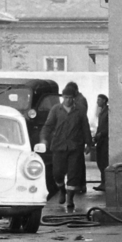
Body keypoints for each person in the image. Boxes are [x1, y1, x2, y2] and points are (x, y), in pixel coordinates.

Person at [39, 81, 91, 213]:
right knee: (57, 173)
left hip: (75, 147)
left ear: (74, 98)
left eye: (70, 98)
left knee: (74, 174)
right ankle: (62, 190)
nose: (68, 100)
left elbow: (85, 127)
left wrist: (89, 144)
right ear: (62, 97)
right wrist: (44, 140)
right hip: (59, 146)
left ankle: (70, 199)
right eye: (65, 97)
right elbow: (48, 126)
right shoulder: (56, 110)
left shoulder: (80, 110)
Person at [92, 93, 110, 192]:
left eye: (99, 99)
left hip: (105, 140)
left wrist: (101, 133)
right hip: (100, 140)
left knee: (103, 162)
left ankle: (105, 183)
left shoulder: (107, 112)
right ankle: (103, 182)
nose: (97, 101)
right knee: (100, 162)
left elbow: (108, 126)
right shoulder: (101, 112)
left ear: (104, 100)